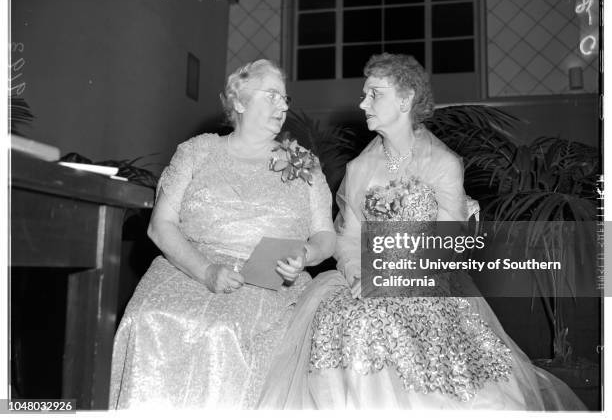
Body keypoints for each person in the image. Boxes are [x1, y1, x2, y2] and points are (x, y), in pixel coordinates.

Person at [259, 53, 585, 410]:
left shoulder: (443, 163)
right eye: (364, 94)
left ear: (405, 99)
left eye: (374, 94)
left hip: (426, 282)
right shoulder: (359, 168)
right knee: (348, 322)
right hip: (366, 279)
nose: (362, 103)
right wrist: (357, 272)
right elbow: (349, 238)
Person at [109, 59, 336, 408]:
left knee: (224, 333)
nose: (284, 105)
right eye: (272, 95)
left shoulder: (303, 163)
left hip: (268, 282)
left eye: (285, 98)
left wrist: (305, 254)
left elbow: (325, 237)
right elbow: (161, 226)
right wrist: (206, 271)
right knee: (146, 319)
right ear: (240, 103)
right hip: (186, 269)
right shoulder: (197, 152)